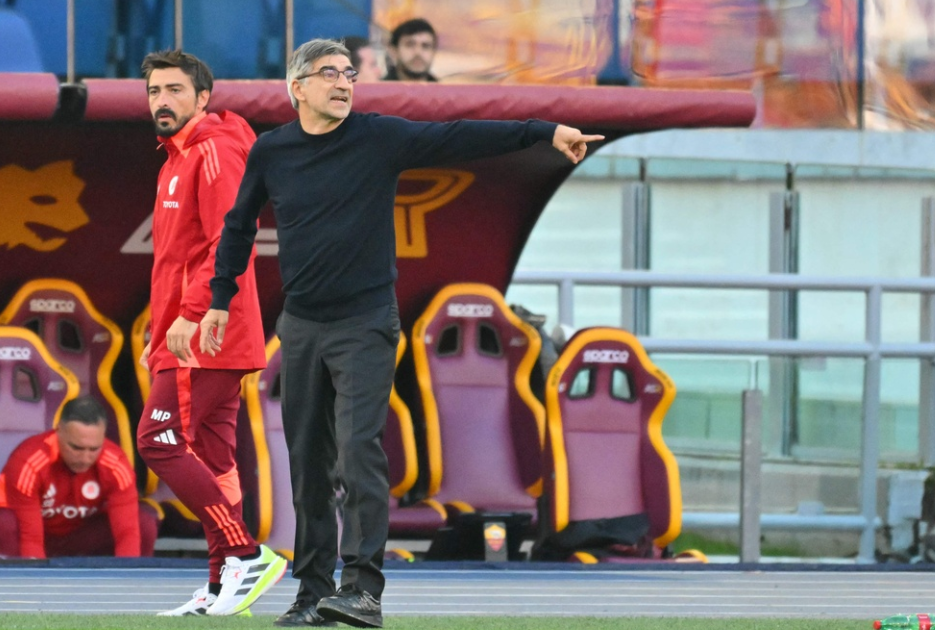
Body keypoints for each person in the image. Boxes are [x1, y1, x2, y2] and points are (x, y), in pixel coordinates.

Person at [198, 38, 603, 629]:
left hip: (364, 322)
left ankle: (362, 591)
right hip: (303, 327)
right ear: (297, 87)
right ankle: (312, 594)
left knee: (359, 452)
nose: (342, 82)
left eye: (349, 73)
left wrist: (543, 131)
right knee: (307, 463)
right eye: (328, 73)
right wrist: (218, 300)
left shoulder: (379, 137)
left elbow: (462, 134)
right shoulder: (272, 151)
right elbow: (237, 228)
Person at [136, 49, 286, 617]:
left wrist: (191, 313)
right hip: (185, 335)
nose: (162, 101)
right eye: (154, 92)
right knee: (215, 459)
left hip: (206, 335)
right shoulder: (174, 159)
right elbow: (178, 258)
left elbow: (229, 241)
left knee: (158, 440)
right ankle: (223, 584)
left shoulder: (216, 150)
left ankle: (245, 554)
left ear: (203, 97)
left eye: (174, 90)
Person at [0, 396, 159, 558]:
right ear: (59, 431)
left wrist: (127, 580)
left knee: (143, 524)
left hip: (80, 537)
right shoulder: (29, 463)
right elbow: (30, 538)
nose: (85, 458)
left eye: (94, 449)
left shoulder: (116, 465)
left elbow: (127, 534)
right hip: (31, 537)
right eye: (76, 448)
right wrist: (38, 581)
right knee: (4, 523)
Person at [383, 18, 438, 82]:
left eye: (425, 46)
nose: (418, 52)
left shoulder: (443, 91)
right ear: (394, 51)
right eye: (410, 44)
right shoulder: (377, 90)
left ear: (434, 52)